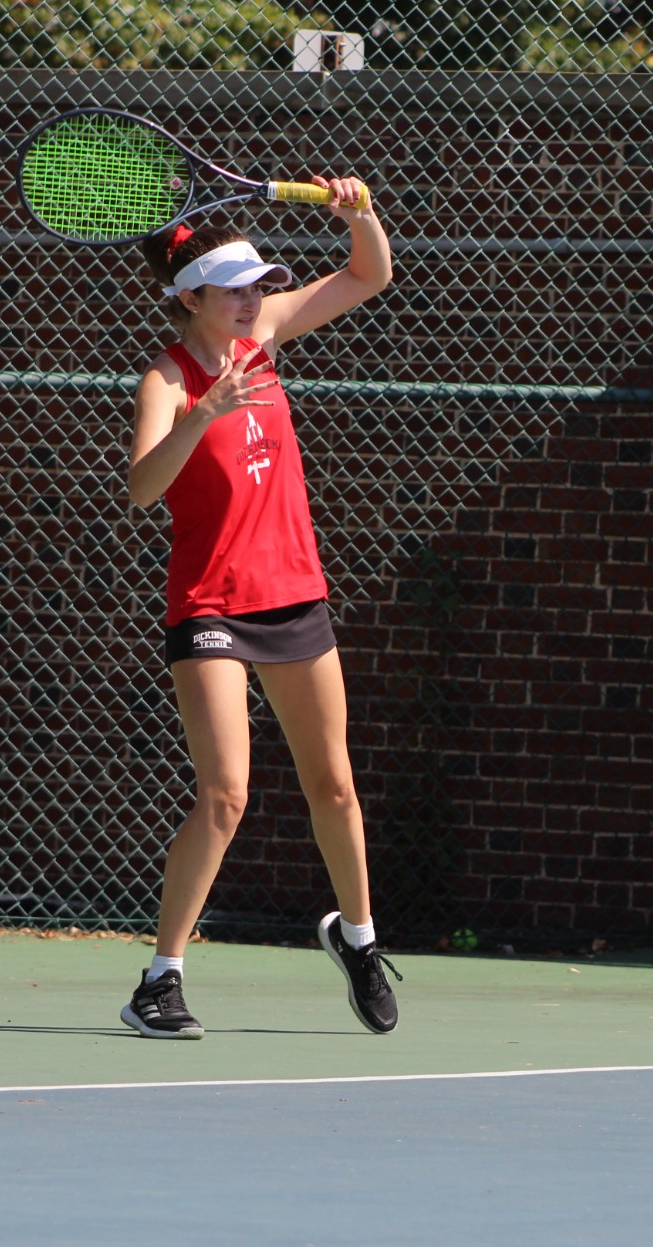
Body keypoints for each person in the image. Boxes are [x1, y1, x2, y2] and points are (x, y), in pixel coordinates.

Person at [119, 175, 398, 1040]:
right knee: (225, 795)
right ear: (191, 297)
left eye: (257, 285)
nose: (254, 298)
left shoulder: (268, 334)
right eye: (235, 288)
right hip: (210, 606)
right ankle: (159, 980)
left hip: (295, 596)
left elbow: (367, 276)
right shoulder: (166, 378)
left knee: (337, 788)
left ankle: (357, 940)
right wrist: (201, 413)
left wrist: (360, 215)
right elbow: (141, 489)